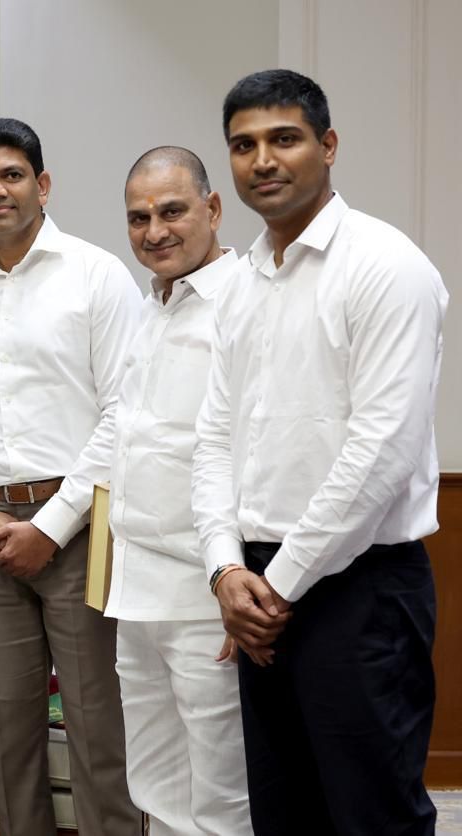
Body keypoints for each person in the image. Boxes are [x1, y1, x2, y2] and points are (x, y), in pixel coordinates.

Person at [192, 69, 448, 835]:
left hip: (361, 592)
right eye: (244, 145)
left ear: (328, 146)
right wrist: (225, 568)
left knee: (371, 816)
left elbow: (382, 450)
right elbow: (213, 436)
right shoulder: (242, 281)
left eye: (284, 139)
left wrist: (278, 585)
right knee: (284, 812)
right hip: (261, 589)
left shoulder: (385, 265)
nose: (262, 160)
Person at [0, 117, 144, 836]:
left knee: (96, 725)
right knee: (8, 728)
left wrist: (49, 527)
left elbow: (123, 414)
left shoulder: (97, 273)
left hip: (78, 528)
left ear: (42, 185)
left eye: (12, 175)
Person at [109, 146, 250, 835]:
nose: (155, 231)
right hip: (136, 593)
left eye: (172, 211)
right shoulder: (146, 310)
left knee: (223, 796)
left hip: (207, 597)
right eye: (139, 218)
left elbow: (256, 455)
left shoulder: (248, 303)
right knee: (155, 784)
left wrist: (244, 581)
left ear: (213, 209)